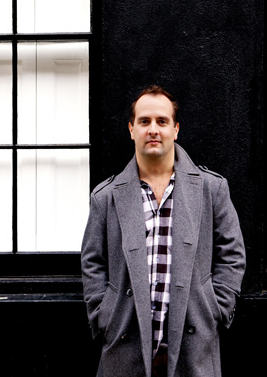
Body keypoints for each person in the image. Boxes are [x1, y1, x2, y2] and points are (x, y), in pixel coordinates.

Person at [81, 85, 246, 377]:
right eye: (144, 121)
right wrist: (103, 314)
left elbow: (232, 255)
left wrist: (215, 309)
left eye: (162, 121)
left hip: (194, 346)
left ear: (175, 129)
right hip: (125, 346)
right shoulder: (106, 197)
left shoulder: (211, 189)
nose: (153, 129)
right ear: (131, 129)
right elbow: (92, 261)